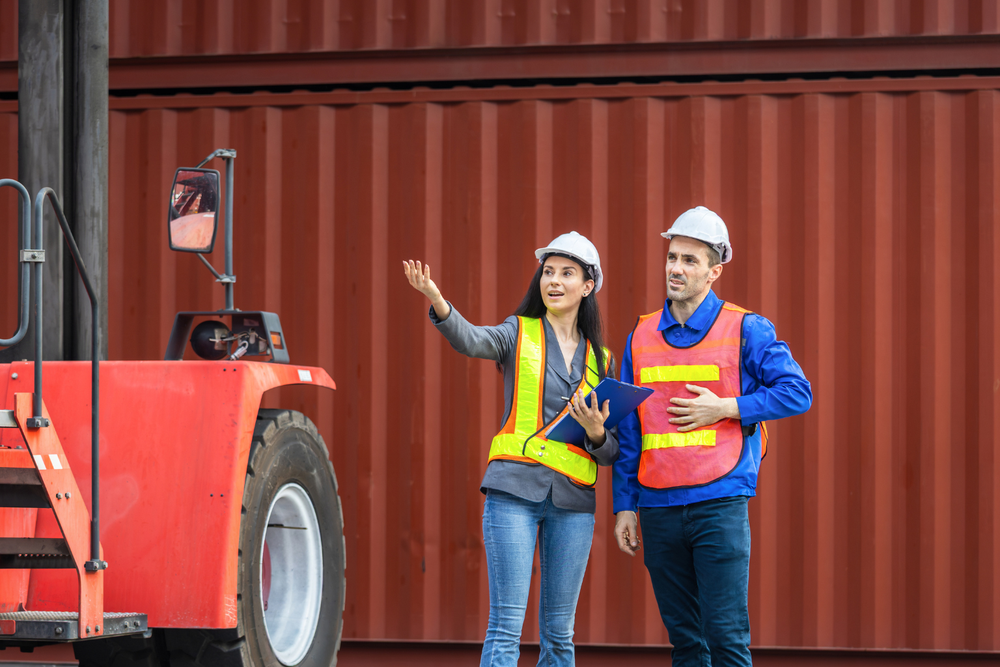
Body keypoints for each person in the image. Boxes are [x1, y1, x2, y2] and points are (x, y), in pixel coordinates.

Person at [404, 231, 619, 667]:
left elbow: (611, 451)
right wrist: (437, 300)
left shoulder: (603, 360)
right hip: (513, 493)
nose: (553, 280)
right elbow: (470, 339)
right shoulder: (517, 332)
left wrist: (597, 432)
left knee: (560, 635)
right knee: (505, 627)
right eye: (548, 272)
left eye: (567, 273)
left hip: (574, 502)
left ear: (588, 286)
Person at [612, 206, 812, 666]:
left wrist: (725, 407)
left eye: (690, 260)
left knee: (726, 639)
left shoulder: (746, 328)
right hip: (657, 507)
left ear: (714, 271)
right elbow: (630, 429)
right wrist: (625, 505)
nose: (676, 268)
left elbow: (797, 392)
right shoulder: (640, 336)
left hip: (719, 504)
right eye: (672, 257)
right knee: (686, 643)